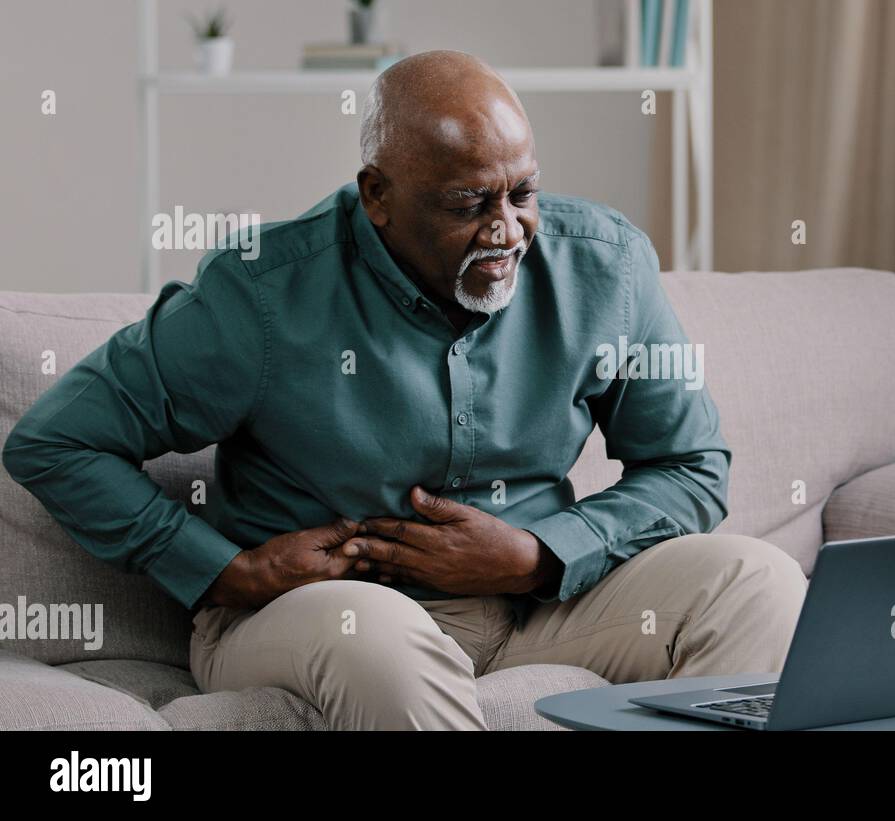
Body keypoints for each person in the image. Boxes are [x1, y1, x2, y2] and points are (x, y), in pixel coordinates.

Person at [2, 50, 807, 730]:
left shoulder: (605, 267)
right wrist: (224, 570)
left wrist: (538, 554)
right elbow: (56, 440)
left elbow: (692, 466)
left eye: (521, 193)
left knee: (757, 584)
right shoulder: (260, 296)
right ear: (376, 195)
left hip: (538, 606)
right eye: (467, 204)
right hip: (321, 613)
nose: (506, 229)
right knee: (376, 629)